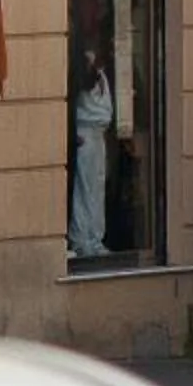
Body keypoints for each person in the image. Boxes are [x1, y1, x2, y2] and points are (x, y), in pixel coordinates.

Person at [68, 51, 114, 260]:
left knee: (97, 188)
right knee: (85, 188)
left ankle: (95, 239)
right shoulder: (85, 67)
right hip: (85, 133)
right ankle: (81, 240)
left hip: (98, 134)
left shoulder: (102, 73)